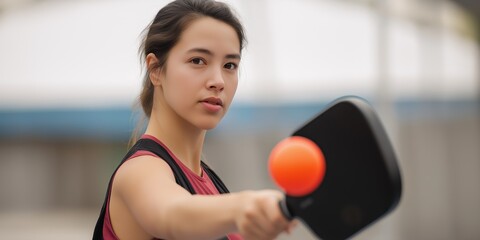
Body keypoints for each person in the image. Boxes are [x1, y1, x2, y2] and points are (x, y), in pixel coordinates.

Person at [93, 0, 296, 239]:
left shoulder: (210, 184)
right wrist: (242, 206)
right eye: (198, 61)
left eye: (230, 65)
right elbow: (170, 214)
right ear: (156, 69)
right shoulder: (140, 171)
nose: (218, 80)